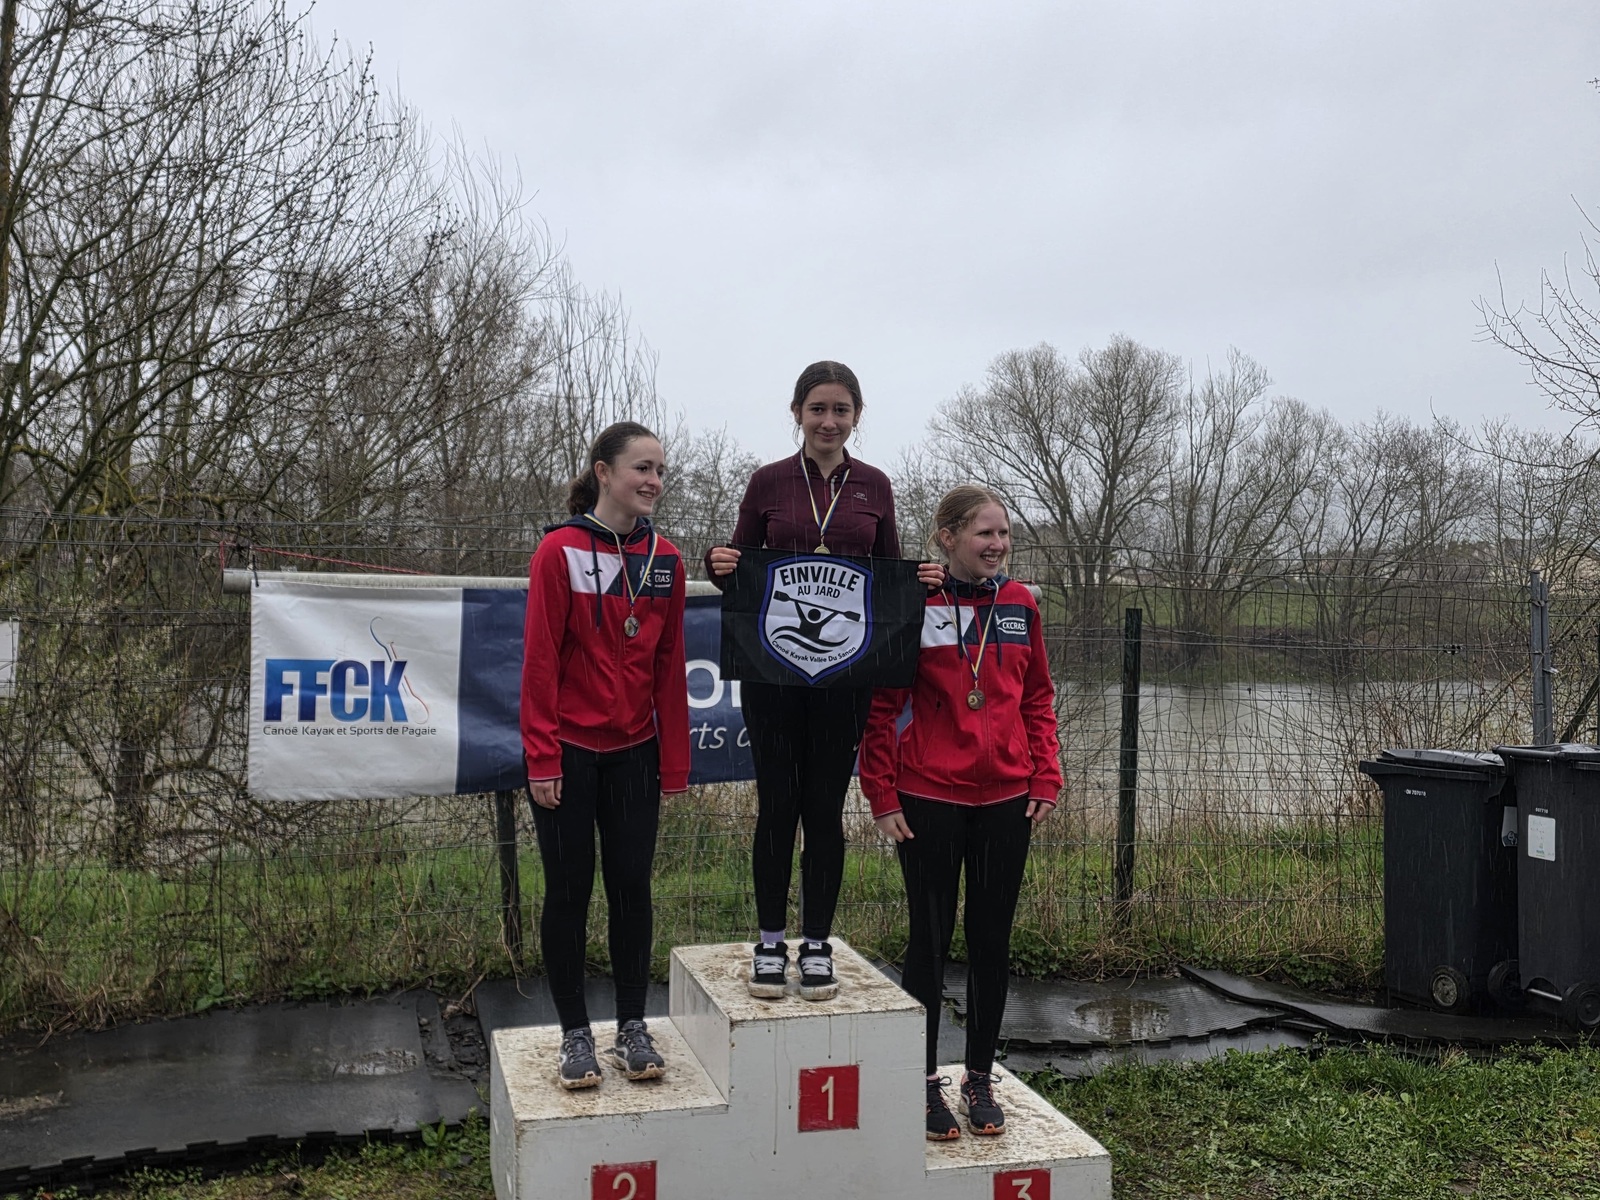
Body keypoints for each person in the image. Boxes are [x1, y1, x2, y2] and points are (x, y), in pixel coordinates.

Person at [707, 361, 940, 1001]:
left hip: (845, 676)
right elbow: (738, 569)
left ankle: (816, 944)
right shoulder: (767, 481)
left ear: (856, 416)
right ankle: (769, 942)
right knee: (777, 807)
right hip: (773, 675)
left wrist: (918, 581)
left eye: (840, 410)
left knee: (825, 810)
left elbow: (888, 577)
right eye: (817, 409)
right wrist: (717, 563)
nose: (828, 421)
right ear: (797, 413)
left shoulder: (875, 486)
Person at [859, 485, 1061, 1140]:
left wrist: (1046, 774)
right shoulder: (917, 602)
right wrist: (881, 792)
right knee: (930, 939)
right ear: (947, 539)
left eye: (1004, 534)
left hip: (1007, 800)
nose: (998, 545)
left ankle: (979, 1075)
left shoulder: (1021, 603)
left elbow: (1037, 698)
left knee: (991, 941)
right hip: (929, 798)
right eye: (984, 534)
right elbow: (882, 707)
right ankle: (922, 1081)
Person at [521, 421, 689, 1090]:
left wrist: (673, 762)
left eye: (659, 471)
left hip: (635, 752)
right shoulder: (558, 550)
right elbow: (539, 661)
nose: (653, 480)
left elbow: (670, 665)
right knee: (568, 892)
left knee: (631, 889)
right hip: (567, 751)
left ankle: (631, 1027)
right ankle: (573, 1034)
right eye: (641, 468)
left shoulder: (666, 559)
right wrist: (541, 757)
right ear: (603, 472)